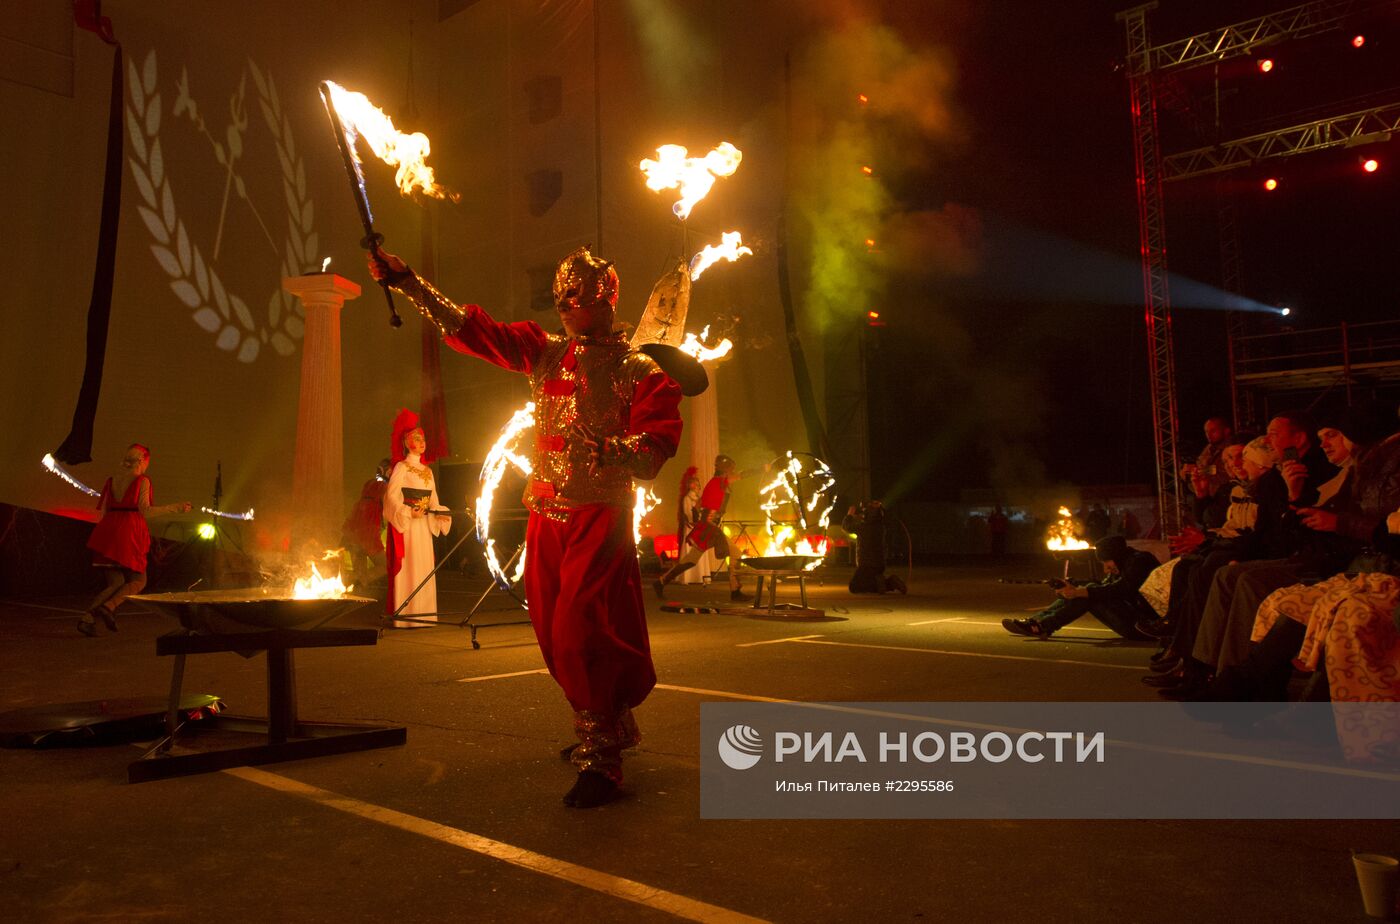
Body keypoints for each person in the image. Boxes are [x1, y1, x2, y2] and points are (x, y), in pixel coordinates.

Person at [370, 244, 682, 808]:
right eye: (560, 296)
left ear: (605, 300)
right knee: (551, 627)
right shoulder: (548, 354)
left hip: (600, 514)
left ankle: (600, 759)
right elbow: (476, 330)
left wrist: (614, 448)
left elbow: (658, 444)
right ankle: (610, 721)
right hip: (545, 513)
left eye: (576, 297)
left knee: (580, 625)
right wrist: (411, 283)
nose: (564, 305)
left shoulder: (642, 370)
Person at [78, 443, 191, 636]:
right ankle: (109, 606)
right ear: (143, 461)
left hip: (108, 530)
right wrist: (176, 507)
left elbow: (105, 510)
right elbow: (145, 511)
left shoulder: (112, 480)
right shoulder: (142, 481)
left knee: (115, 582)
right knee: (139, 580)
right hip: (129, 532)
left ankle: (87, 618)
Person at [1002, 535, 1157, 640]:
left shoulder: (1140, 561)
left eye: (1106, 562)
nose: (1105, 568)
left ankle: (1042, 626)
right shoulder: (1125, 563)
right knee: (1085, 590)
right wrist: (1071, 587)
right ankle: (1037, 621)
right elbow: (1104, 587)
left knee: (1087, 593)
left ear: (1115, 557)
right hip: (1138, 620)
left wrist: (1081, 591)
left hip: (1148, 626)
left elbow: (1122, 589)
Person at [383, 412, 452, 627]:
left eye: (423, 439)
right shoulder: (401, 467)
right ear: (406, 443)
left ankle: (424, 615)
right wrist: (406, 511)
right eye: (417, 439)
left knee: (423, 565)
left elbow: (433, 500)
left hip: (422, 525)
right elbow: (392, 497)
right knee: (409, 566)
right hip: (408, 526)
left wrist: (440, 511)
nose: (421, 442)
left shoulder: (428, 471)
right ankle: (405, 616)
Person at [655, 454, 750, 601]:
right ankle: (735, 590)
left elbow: (699, 503)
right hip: (710, 527)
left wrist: (699, 518)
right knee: (735, 553)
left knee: (691, 559)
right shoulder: (720, 481)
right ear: (726, 469)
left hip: (707, 527)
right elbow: (742, 475)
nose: (732, 471)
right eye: (731, 468)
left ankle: (661, 582)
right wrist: (762, 469)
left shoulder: (714, 483)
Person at [342, 458, 390, 586]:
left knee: (360, 572)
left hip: (354, 529)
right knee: (386, 566)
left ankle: (353, 582)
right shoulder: (384, 487)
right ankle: (355, 581)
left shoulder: (369, 484)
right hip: (367, 532)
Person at [842, 500, 906, 594]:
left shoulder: (863, 528)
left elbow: (846, 527)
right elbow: (885, 518)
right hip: (880, 564)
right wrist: (879, 508)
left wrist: (849, 515)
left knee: (855, 587)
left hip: (866, 565)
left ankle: (887, 583)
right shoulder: (881, 527)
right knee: (865, 582)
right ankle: (883, 582)